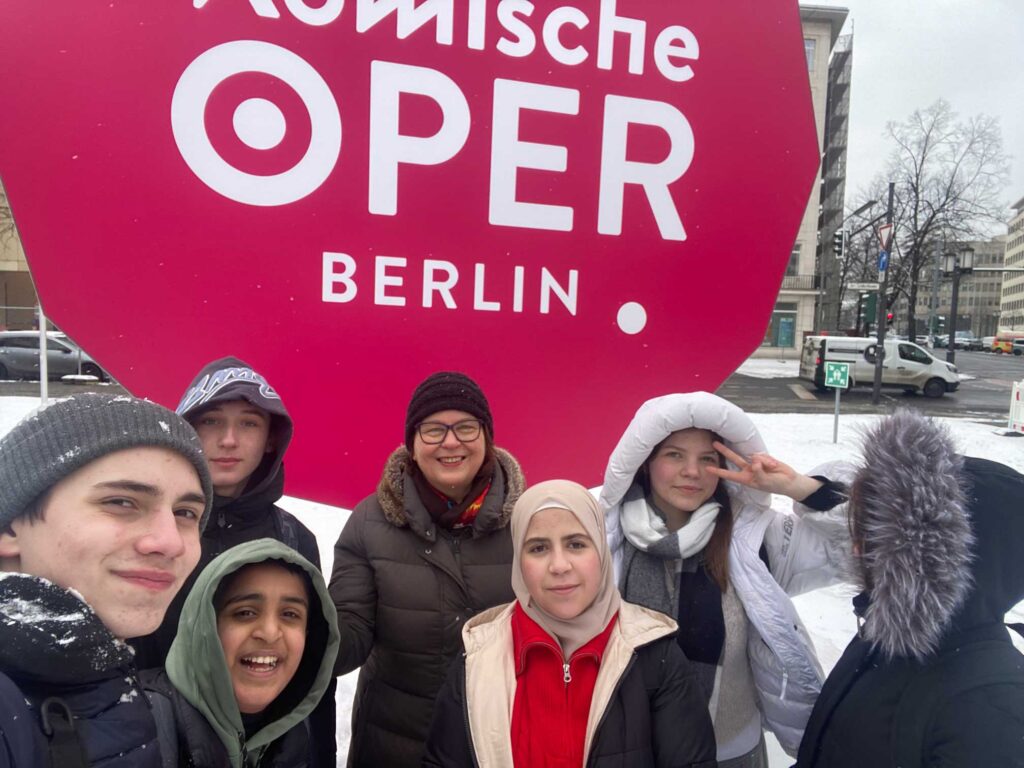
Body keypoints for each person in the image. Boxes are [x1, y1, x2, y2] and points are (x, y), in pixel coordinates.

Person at [599, 391, 851, 765]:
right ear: (644, 462)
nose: (693, 472)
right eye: (674, 455)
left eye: (708, 458)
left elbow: (863, 545)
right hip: (631, 752)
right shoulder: (599, 537)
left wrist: (797, 486)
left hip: (731, 753)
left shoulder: (755, 539)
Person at [423, 480, 717, 767]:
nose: (559, 566)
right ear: (518, 561)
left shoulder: (657, 655)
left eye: (576, 544)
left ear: (601, 551)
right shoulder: (477, 656)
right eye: (538, 548)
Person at [132, 357, 334, 768]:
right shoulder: (150, 532)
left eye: (248, 423)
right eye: (210, 421)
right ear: (187, 429)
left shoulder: (293, 539)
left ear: (271, 438)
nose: (228, 440)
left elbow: (313, 675)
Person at [795, 410, 1024, 767]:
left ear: (935, 562)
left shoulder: (991, 704)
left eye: (880, 538)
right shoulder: (882, 640)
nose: (857, 548)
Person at [0, 394, 212, 767]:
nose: (170, 542)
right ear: (9, 529)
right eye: (121, 502)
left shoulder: (101, 679)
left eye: (185, 512)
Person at [330, 371, 525, 767]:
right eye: (433, 429)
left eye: (466, 428)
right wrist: (298, 634)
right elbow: (347, 632)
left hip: (499, 745)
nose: (451, 442)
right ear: (412, 444)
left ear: (487, 438)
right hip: (394, 746)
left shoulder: (527, 520)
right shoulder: (370, 522)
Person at [144, 539, 340, 768]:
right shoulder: (138, 723)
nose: (269, 633)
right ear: (206, 625)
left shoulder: (294, 727)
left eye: (290, 614)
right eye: (245, 612)